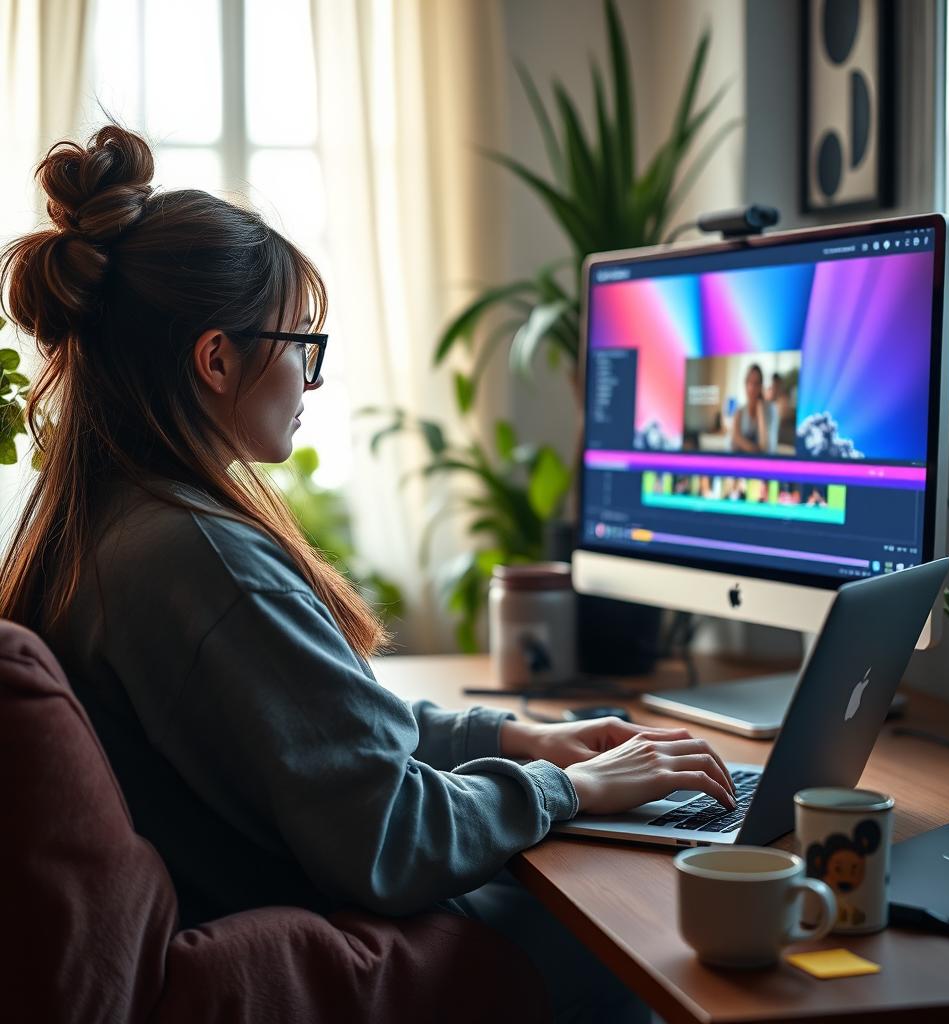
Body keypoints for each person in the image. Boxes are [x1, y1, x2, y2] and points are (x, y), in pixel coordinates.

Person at [0, 126, 737, 1023]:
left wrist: (512, 741)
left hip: (281, 898)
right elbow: (393, 836)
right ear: (217, 358)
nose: (311, 381)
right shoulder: (197, 558)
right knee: (656, 936)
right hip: (355, 933)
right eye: (300, 346)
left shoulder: (103, 521)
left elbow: (319, 734)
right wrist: (573, 788)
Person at [730, 363, 779, 454]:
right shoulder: (740, 411)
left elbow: (765, 447)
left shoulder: (771, 409)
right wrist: (754, 449)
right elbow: (734, 441)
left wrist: (760, 410)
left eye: (756, 384)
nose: (752, 388)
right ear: (745, 385)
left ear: (761, 387)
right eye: (749, 382)